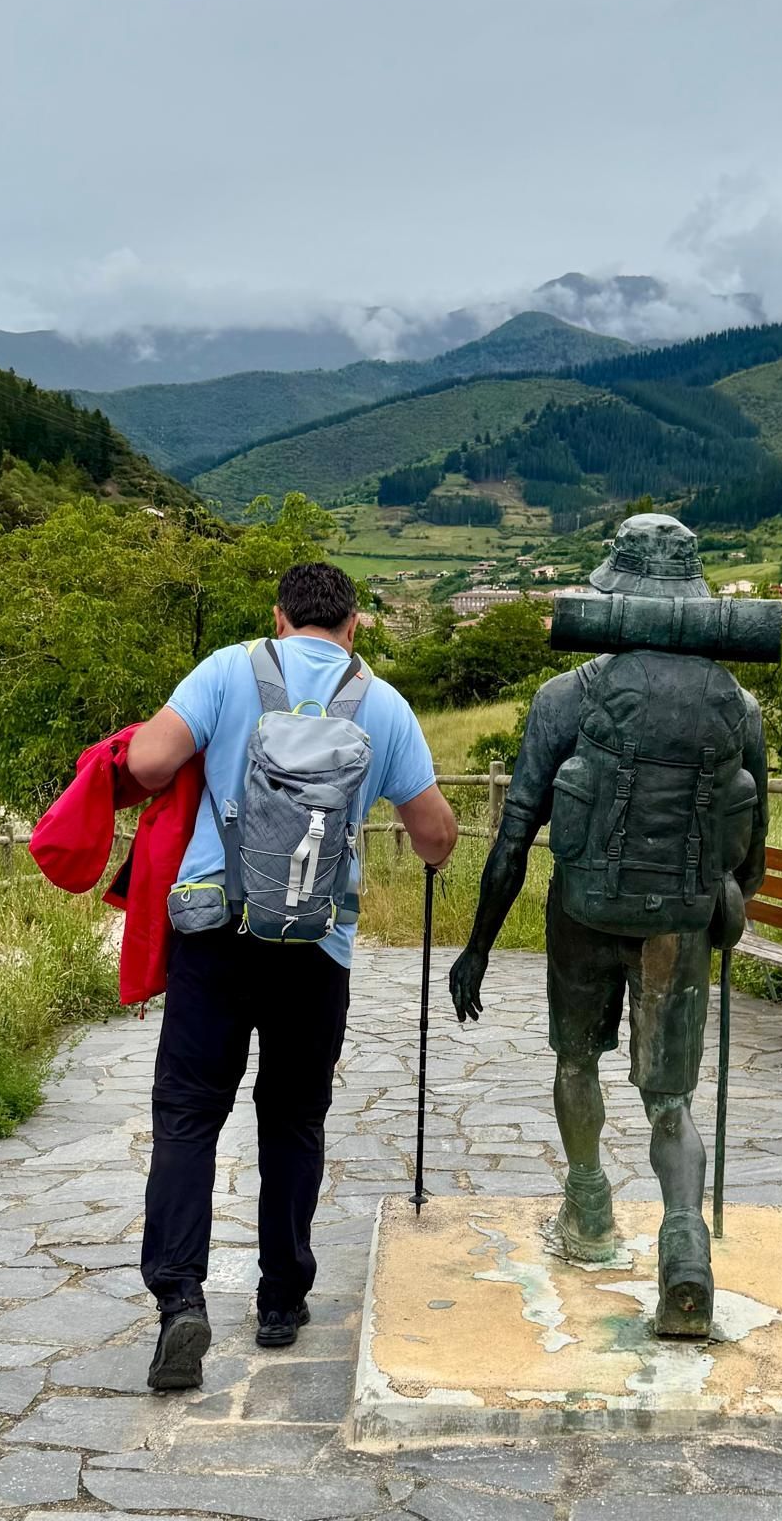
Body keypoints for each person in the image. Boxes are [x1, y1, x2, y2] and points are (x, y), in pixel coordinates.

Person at [128, 562, 457, 1390]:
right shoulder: (383, 705)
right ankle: (280, 1299)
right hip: (316, 945)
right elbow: (435, 837)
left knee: (189, 1116)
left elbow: (149, 762)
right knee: (293, 1118)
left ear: (279, 618)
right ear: (354, 624)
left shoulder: (226, 671)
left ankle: (180, 1301)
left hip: (214, 932)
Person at [449, 515, 767, 1337]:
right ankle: (684, 1240)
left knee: (575, 1058)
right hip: (680, 927)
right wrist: (720, 916)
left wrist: (478, 946)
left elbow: (514, 836)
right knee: (672, 1101)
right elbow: (751, 855)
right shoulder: (738, 706)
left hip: (584, 912)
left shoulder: (568, 697)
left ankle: (588, 1207)